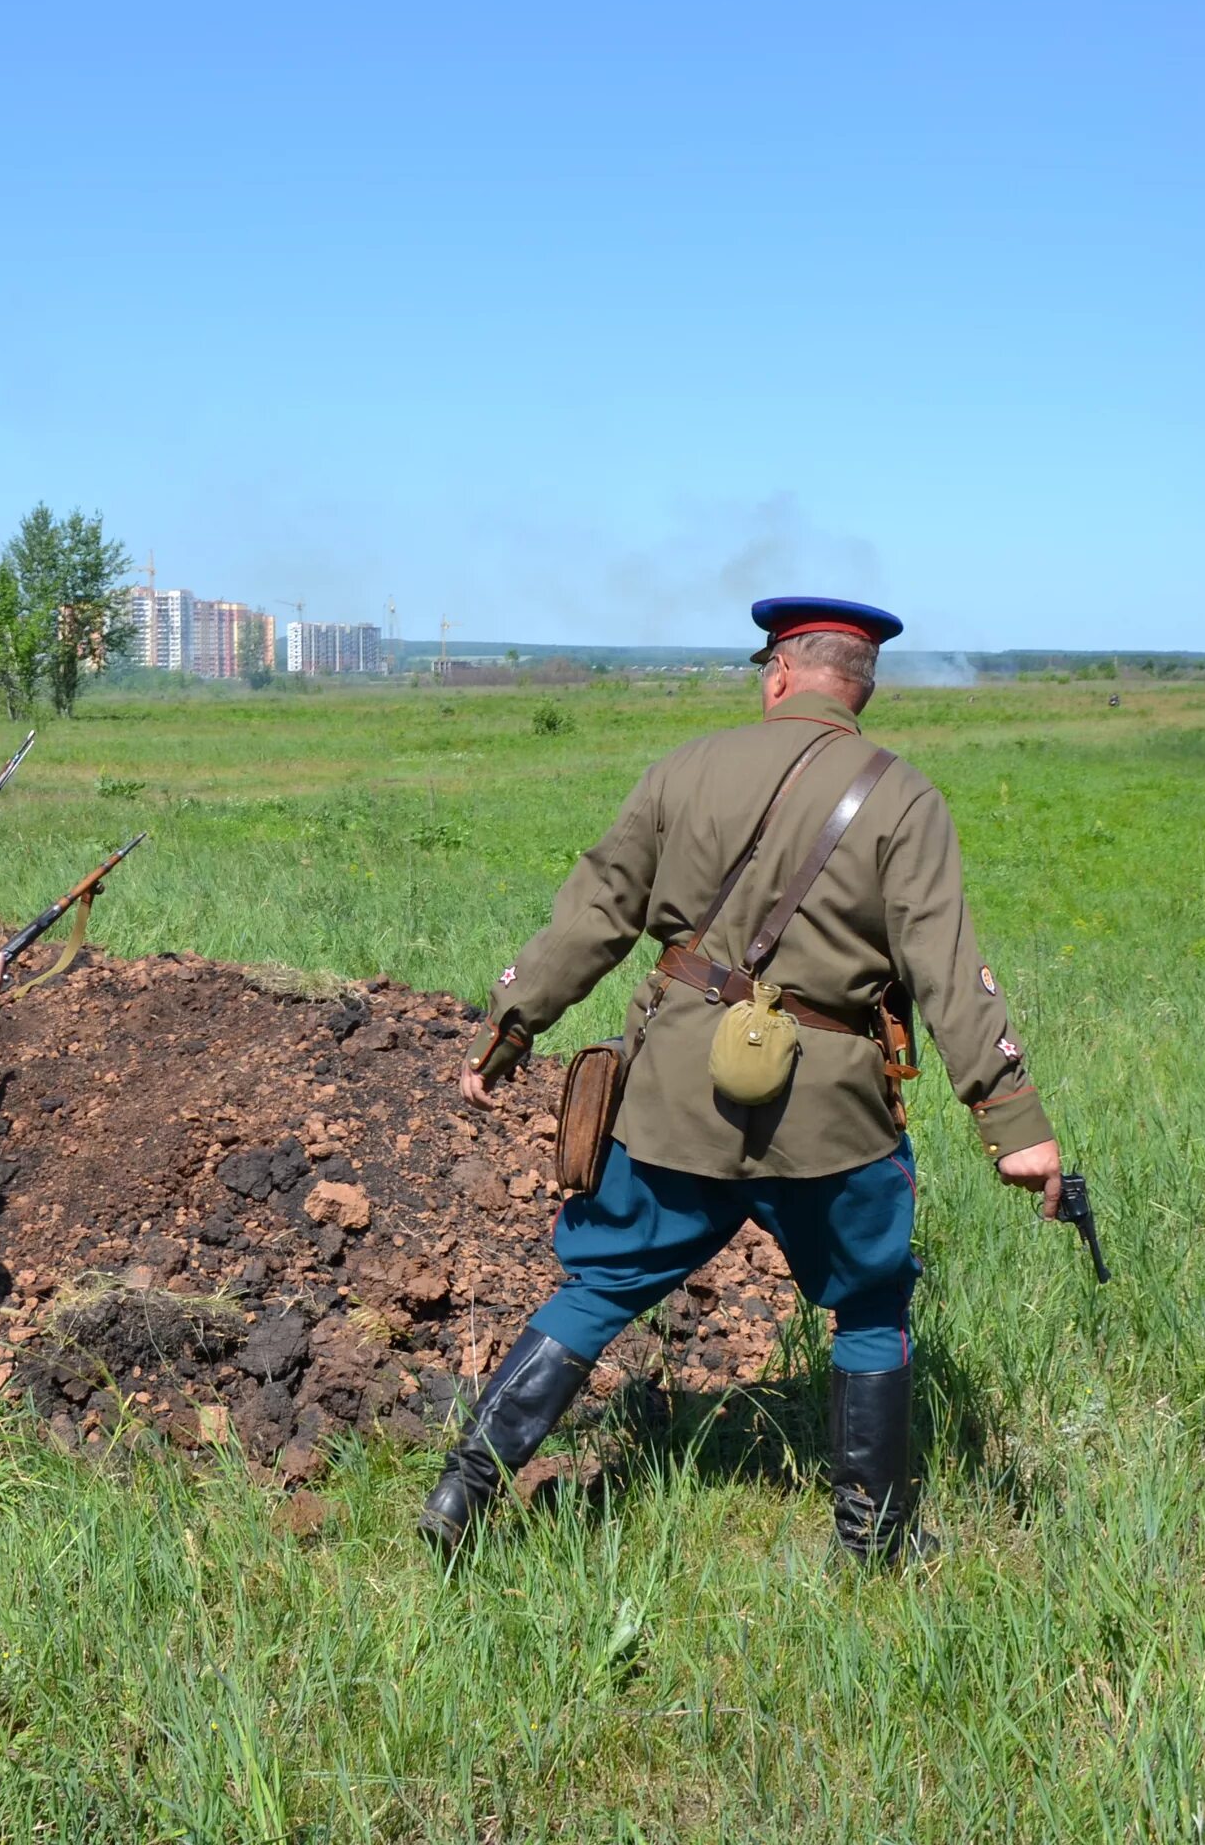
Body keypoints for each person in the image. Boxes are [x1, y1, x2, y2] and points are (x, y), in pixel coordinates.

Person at [425, 596, 1061, 1564]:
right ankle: (875, 1540)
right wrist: (1013, 1121)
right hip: (831, 1118)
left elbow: (597, 907)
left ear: (777, 674)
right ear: (863, 685)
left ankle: (461, 1490)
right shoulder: (904, 796)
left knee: (601, 1284)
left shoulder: (686, 768)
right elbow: (947, 968)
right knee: (872, 1301)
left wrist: (509, 1026)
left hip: (676, 1097)